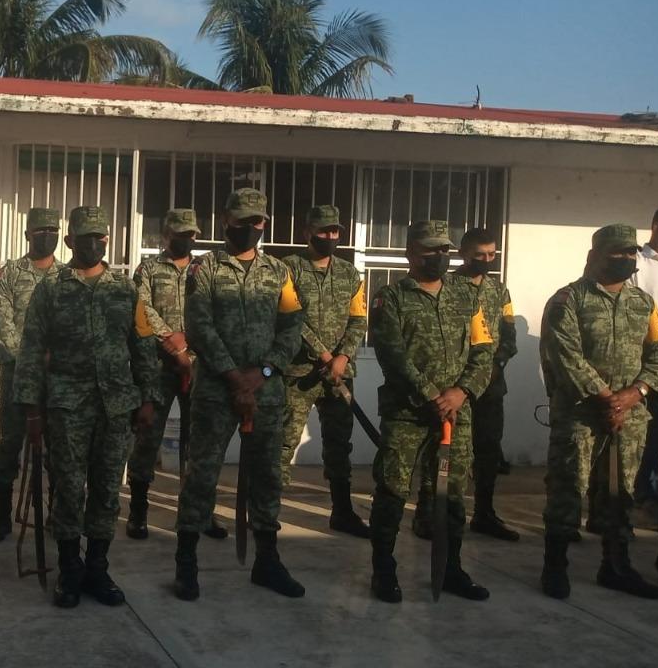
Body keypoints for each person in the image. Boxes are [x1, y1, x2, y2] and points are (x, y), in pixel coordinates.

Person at [14, 206, 158, 609]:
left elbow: (143, 345)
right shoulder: (51, 289)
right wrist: (31, 409)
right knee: (68, 490)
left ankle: (97, 566)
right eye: (86, 237)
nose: (94, 244)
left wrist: (148, 397)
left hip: (116, 407)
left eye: (101, 237)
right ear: (70, 241)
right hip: (67, 407)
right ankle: (70, 569)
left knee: (108, 490)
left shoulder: (126, 289)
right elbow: (31, 349)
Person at [173, 188, 305, 601]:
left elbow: (293, 326)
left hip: (266, 391)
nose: (250, 228)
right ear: (226, 220)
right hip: (216, 390)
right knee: (202, 475)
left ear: (265, 224)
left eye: (258, 221)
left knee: (268, 477)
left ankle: (267, 561)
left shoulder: (279, 273)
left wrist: (263, 372)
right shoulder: (205, 270)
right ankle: (186, 563)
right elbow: (199, 327)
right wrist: (235, 376)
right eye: (242, 220)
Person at [538, 224, 658, 599]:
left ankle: (616, 566)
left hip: (630, 416)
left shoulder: (644, 305)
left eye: (631, 253)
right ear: (593, 257)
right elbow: (564, 357)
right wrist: (606, 397)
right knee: (568, 489)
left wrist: (635, 393)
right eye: (617, 253)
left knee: (622, 493)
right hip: (579, 415)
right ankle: (555, 566)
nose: (626, 260)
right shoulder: (568, 300)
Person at [367, 219, 494, 604]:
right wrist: (432, 396)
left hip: (456, 416)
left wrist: (461, 392)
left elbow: (484, 351)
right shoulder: (391, 298)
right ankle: (384, 571)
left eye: (443, 249)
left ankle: (451, 569)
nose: (438, 256)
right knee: (392, 492)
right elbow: (393, 356)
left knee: (452, 496)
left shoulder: (466, 298)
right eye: (429, 250)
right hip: (407, 414)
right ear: (410, 253)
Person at [126, 209, 228, 541]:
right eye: (179, 234)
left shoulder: (207, 269)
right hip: (158, 365)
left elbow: (216, 311)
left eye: (191, 234)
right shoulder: (149, 269)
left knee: (200, 443)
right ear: (166, 236)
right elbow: (141, 307)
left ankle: (200, 512)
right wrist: (171, 340)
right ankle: (138, 511)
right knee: (147, 437)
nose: (186, 239)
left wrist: (191, 346)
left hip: (200, 366)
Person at [279, 205, 370, 538]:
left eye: (334, 231)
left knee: (338, 444)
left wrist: (343, 357)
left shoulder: (350, 274)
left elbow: (358, 319)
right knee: (284, 443)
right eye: (323, 231)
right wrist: (323, 354)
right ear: (307, 233)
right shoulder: (289, 268)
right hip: (299, 373)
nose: (330, 237)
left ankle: (342, 512)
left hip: (339, 375)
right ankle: (268, 510)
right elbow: (292, 317)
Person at [0, 207, 64, 542]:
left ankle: (57, 514)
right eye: (40, 230)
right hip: (19, 375)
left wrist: (56, 360)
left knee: (59, 448)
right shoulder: (10, 274)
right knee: (10, 444)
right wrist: (29, 363)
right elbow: (2, 323)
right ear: (27, 235)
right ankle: (1, 515)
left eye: (52, 230)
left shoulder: (67, 275)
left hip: (60, 379)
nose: (46, 235)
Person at [453, 227, 520, 542]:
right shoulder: (449, 286)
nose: (486, 260)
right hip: (456, 385)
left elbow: (509, 336)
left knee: (488, 450)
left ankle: (484, 513)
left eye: (492, 254)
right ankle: (436, 513)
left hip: (492, 385)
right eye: (480, 255)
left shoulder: (500, 290)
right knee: (451, 452)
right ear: (464, 254)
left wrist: (498, 363)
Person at [631, 205, 658, 512]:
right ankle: (642, 488)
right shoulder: (637, 265)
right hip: (649, 360)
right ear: (657, 227)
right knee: (653, 430)